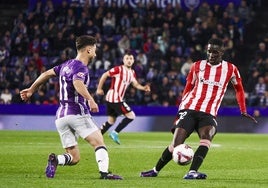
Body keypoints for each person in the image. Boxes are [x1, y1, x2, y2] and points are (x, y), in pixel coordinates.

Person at [140, 38, 257, 179]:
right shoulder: (197, 66)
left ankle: (192, 172)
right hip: (190, 108)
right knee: (177, 144)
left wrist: (243, 109)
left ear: (222, 52)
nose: (211, 55)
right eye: (209, 51)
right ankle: (155, 170)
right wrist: (180, 110)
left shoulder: (231, 69)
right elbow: (188, 87)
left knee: (207, 136)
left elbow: (239, 89)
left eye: (215, 52)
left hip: (209, 112)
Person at [20, 35, 122, 180]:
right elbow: (77, 83)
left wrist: (31, 89)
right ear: (88, 49)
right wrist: (91, 100)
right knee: (99, 142)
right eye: (94, 49)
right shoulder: (81, 67)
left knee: (74, 158)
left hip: (61, 116)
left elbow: (45, 74)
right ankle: (105, 174)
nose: (95, 52)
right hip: (77, 113)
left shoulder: (65, 65)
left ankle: (56, 160)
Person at [96, 50, 151, 144]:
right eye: (127, 58)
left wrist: (143, 88)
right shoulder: (118, 69)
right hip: (115, 98)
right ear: (123, 60)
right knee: (131, 116)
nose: (129, 60)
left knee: (111, 120)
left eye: (131, 58)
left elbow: (135, 84)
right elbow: (105, 75)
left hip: (112, 99)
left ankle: (97, 137)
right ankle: (114, 133)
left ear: (133, 60)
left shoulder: (132, 72)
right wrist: (99, 89)